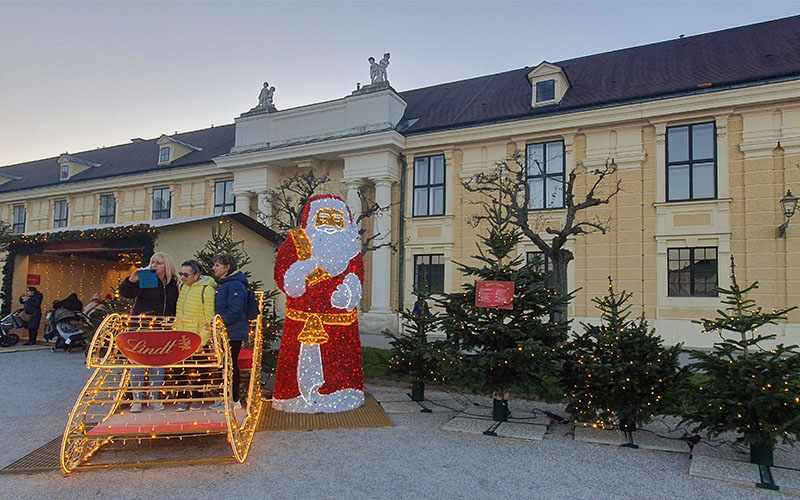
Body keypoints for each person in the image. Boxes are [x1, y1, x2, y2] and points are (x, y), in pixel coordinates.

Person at [272, 194, 365, 413]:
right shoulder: (297, 241)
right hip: (302, 319)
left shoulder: (350, 246)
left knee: (339, 362)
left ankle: (341, 394)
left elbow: (356, 274)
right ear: (312, 217)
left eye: (336, 218)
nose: (330, 223)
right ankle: (295, 397)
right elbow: (282, 272)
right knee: (300, 360)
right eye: (325, 217)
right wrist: (299, 273)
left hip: (340, 322)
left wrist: (349, 293)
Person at [119, 252, 179, 412]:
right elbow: (127, 293)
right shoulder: (146, 278)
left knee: (158, 364)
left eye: (159, 263)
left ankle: (154, 398)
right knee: (139, 362)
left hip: (163, 327)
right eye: (153, 262)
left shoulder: (173, 283)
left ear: (167, 266)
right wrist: (131, 281)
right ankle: (137, 400)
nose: (155, 265)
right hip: (142, 326)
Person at [171, 259, 217, 411]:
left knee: (199, 370)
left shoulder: (207, 290)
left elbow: (209, 318)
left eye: (186, 274)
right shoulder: (182, 287)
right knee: (179, 369)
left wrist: (201, 341)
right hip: (181, 336)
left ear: (196, 275)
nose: (183, 277)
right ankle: (182, 398)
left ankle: (198, 397)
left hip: (197, 337)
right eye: (181, 274)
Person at [210, 254, 249, 412]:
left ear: (227, 268)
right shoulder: (227, 284)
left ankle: (234, 400)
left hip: (233, 331)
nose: (213, 268)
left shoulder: (235, 285)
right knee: (226, 364)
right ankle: (227, 397)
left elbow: (236, 309)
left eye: (217, 265)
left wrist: (220, 322)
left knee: (231, 365)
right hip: (227, 330)